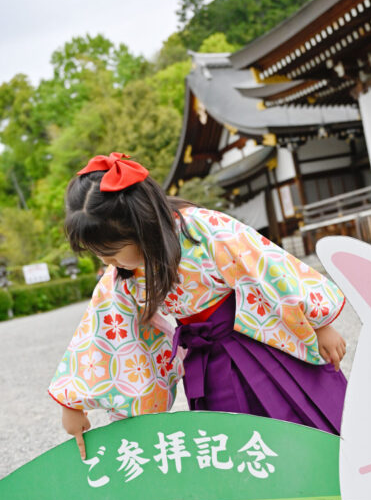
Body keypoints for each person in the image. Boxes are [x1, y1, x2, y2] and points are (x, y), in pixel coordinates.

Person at [49, 153, 348, 459]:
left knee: (301, 422)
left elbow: (265, 266)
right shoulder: (124, 276)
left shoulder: (202, 228)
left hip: (261, 342)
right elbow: (104, 330)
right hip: (206, 363)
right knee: (234, 448)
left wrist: (320, 322)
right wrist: (73, 404)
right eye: (100, 256)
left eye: (112, 253)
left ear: (140, 226)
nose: (107, 263)